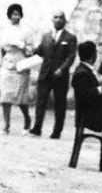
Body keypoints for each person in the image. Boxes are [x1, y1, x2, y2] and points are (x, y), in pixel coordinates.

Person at [31, 11, 77, 139]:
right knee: (40, 102)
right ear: (52, 19)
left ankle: (57, 131)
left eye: (61, 17)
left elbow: (71, 56)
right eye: (55, 17)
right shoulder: (46, 36)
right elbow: (40, 52)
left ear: (65, 20)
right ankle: (37, 127)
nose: (58, 20)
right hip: (45, 73)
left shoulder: (70, 37)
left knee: (60, 103)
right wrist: (31, 50)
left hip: (60, 76)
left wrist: (62, 69)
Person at [0, 3, 34, 135]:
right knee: (5, 96)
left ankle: (27, 119)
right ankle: (6, 125)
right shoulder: (5, 29)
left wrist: (22, 45)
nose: (16, 16)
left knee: (20, 98)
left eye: (18, 13)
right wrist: (2, 63)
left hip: (21, 64)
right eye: (14, 14)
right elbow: (1, 48)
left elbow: (31, 50)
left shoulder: (26, 31)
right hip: (8, 65)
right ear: (9, 15)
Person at [71, 41, 102, 132]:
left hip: (97, 112)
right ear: (93, 55)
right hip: (92, 117)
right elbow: (83, 95)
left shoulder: (86, 69)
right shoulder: (82, 73)